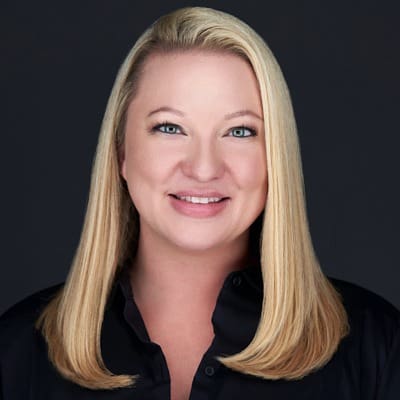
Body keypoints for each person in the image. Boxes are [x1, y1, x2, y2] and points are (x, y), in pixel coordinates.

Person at [0, 6, 399, 400]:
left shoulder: (376, 348)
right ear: (121, 151)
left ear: (275, 156)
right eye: (170, 127)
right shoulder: (16, 352)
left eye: (239, 131)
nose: (204, 168)